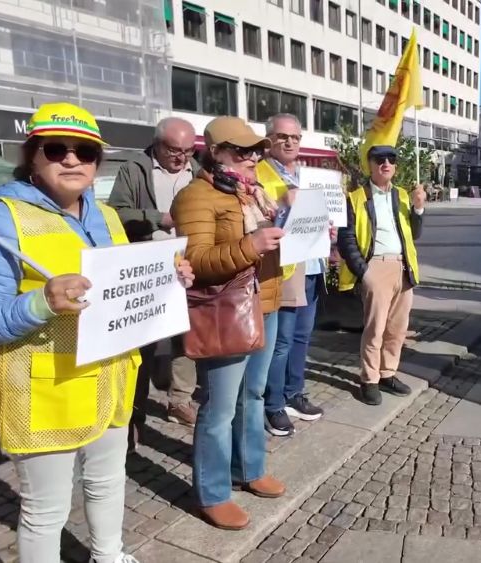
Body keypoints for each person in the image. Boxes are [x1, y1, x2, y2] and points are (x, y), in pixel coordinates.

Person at [0, 102, 194, 563]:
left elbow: (123, 283)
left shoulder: (105, 216)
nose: (71, 159)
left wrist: (168, 278)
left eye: (85, 152)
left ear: (97, 162)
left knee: (108, 481)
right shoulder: (0, 218)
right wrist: (41, 302)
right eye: (56, 149)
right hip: (48, 391)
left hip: (111, 380)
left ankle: (109, 555)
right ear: (32, 154)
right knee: (47, 511)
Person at [172, 116, 286, 530]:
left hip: (265, 303)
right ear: (216, 152)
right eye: (242, 150)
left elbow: (265, 249)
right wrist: (251, 244)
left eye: (255, 150)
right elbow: (197, 261)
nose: (252, 157)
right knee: (218, 408)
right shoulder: (195, 196)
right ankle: (213, 492)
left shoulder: (254, 193)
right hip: (227, 310)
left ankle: (250, 469)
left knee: (253, 395)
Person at [108, 116, 201, 450]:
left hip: (187, 265)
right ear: (158, 144)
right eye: (174, 150)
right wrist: (157, 218)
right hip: (147, 267)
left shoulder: (198, 170)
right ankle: (134, 416)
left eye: (188, 151)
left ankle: (180, 401)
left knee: (185, 338)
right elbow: (115, 212)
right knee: (142, 346)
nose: (182, 157)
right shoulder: (134, 169)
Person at [336, 145, 426, 406]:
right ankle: (369, 379)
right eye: (379, 159)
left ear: (395, 166)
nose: (385, 163)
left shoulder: (402, 195)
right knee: (375, 328)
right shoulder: (355, 198)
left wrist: (419, 208)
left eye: (391, 159)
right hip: (375, 266)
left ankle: (388, 373)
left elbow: (415, 233)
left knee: (397, 328)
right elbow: (346, 239)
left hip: (403, 267)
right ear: (370, 165)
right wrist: (364, 272)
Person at [255, 113, 327, 437]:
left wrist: (329, 229)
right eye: (282, 136)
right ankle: (273, 405)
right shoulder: (260, 172)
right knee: (280, 342)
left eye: (295, 137)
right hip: (283, 266)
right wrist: (283, 203)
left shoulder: (308, 175)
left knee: (301, 337)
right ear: (269, 139)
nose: (289, 142)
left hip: (311, 265)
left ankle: (294, 393)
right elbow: (256, 218)